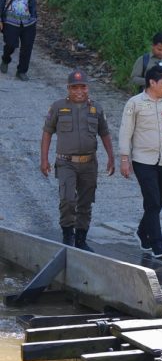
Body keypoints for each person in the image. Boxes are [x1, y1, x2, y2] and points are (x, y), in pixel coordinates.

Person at [40, 70, 115, 251]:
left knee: (85, 202)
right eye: (74, 87)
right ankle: (67, 236)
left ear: (88, 88)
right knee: (67, 200)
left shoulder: (96, 109)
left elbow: (104, 134)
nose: (79, 91)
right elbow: (47, 133)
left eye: (82, 87)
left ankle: (81, 240)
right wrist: (44, 159)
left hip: (89, 163)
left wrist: (112, 157)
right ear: (68, 88)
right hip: (66, 162)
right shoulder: (58, 107)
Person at [119, 65, 162, 259]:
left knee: (160, 199)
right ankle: (158, 244)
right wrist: (124, 158)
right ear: (152, 82)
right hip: (143, 160)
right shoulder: (135, 103)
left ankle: (141, 231)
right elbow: (125, 132)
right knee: (153, 200)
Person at [1, 0, 37, 81]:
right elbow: (1, 2)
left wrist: (34, 18)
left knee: (27, 47)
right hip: (10, 21)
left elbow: (32, 3)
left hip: (28, 23)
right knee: (10, 44)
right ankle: (5, 59)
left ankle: (21, 71)